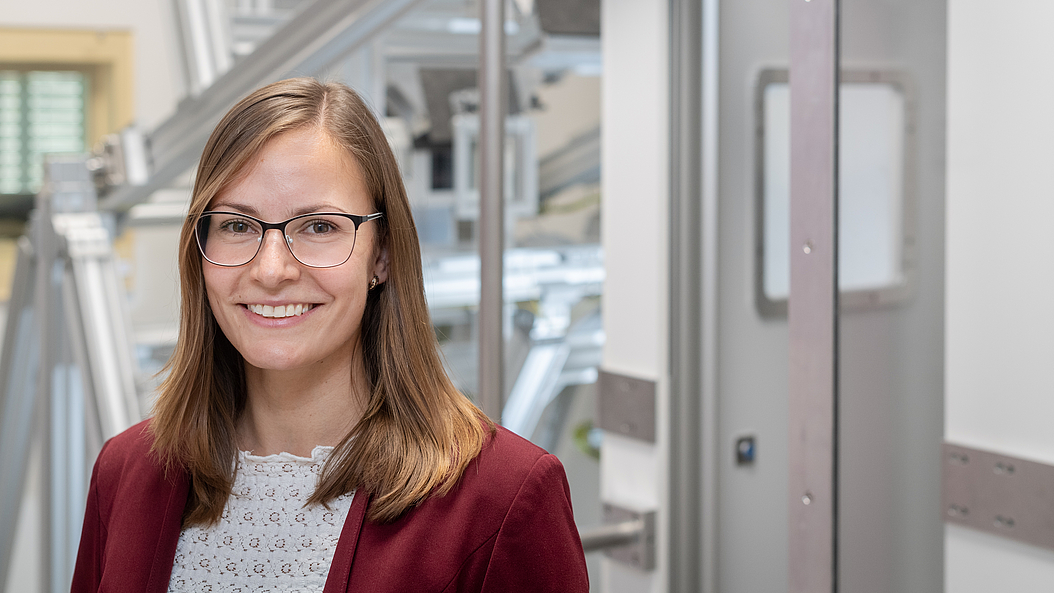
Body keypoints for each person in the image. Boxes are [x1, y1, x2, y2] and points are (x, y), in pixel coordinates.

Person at [71, 77, 589, 593]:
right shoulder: (126, 472)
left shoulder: (504, 497)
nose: (271, 270)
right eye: (237, 225)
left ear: (381, 255)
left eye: (319, 227)